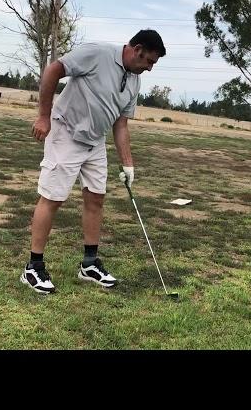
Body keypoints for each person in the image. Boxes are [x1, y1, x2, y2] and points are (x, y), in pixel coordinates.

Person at [20, 29, 166, 294]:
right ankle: (34, 266)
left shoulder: (134, 81)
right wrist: (43, 116)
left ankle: (89, 264)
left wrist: (128, 163)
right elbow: (54, 69)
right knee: (53, 198)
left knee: (96, 197)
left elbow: (121, 125)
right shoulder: (97, 53)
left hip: (95, 141)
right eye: (150, 61)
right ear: (137, 49)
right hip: (65, 131)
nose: (150, 68)